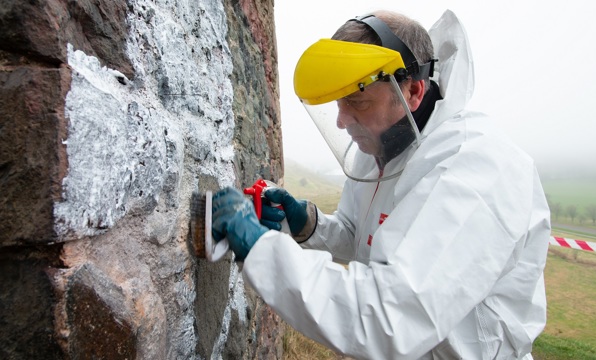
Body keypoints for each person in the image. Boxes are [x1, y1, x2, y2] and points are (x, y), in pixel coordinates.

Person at [211, 9, 550, 360]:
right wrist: (308, 224)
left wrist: (262, 249)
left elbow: (390, 318)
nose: (342, 120)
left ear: (413, 91)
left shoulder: (476, 167)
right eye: (339, 103)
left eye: (357, 102)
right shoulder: (383, 147)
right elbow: (363, 236)